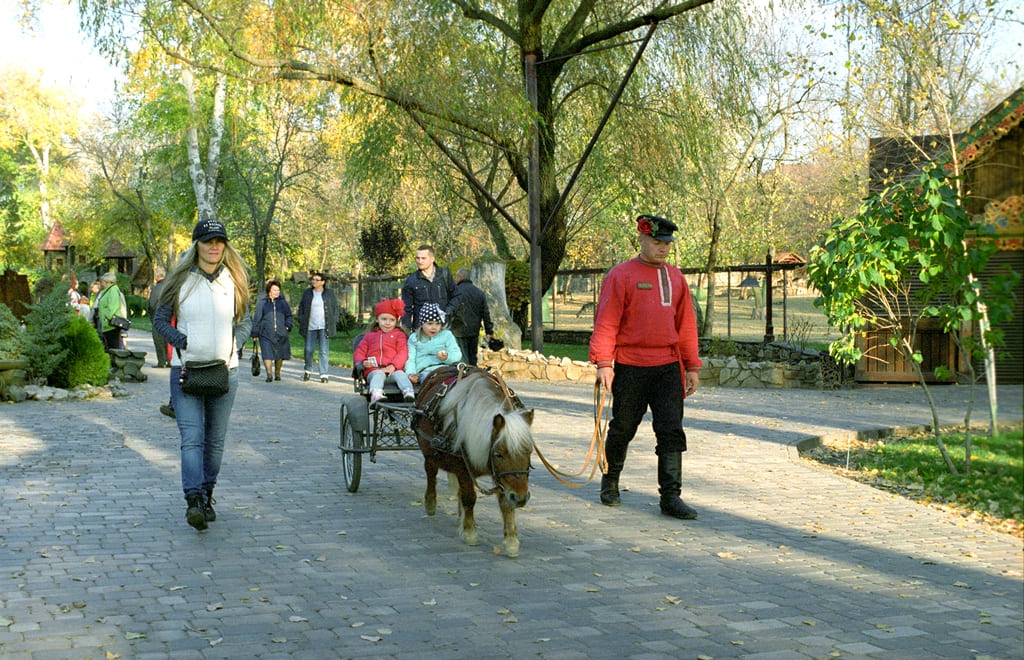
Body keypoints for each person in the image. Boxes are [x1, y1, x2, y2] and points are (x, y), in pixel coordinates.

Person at [589, 214, 703, 520]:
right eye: (657, 242)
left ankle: (671, 497)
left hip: (668, 366)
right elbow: (607, 321)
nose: (663, 248)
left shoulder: (676, 277)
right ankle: (610, 481)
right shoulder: (621, 275)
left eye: (667, 243)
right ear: (641, 239)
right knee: (623, 427)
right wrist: (603, 362)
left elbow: (686, 325)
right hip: (630, 365)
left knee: (671, 431)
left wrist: (691, 366)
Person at [153, 216, 251, 531]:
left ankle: (207, 495)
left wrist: (237, 342)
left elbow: (247, 319)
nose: (213, 247)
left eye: (219, 241)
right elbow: (159, 321)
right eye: (207, 241)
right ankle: (193, 500)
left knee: (216, 441)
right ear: (197, 245)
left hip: (225, 371)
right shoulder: (180, 281)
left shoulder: (234, 279)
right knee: (192, 439)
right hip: (186, 371)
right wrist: (180, 340)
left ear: (225, 246)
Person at [354, 298, 415, 404]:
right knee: (378, 373)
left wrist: (393, 366)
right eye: (384, 319)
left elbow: (403, 352)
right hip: (373, 371)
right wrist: (363, 362)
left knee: (400, 374)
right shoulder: (369, 336)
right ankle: (376, 393)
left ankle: (408, 392)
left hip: (393, 371)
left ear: (396, 321)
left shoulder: (399, 335)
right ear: (377, 319)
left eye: (391, 320)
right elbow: (359, 351)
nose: (387, 323)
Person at [401, 244, 458, 329]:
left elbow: (457, 296)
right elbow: (406, 309)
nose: (420, 261)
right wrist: (406, 332)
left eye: (423, 258)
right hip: (421, 330)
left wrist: (449, 310)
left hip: (443, 327)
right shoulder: (411, 281)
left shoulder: (444, 275)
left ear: (432, 259)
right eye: (417, 258)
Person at [296, 272, 340, 383]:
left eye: (317, 280)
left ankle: (324, 374)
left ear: (323, 282)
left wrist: (334, 320)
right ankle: (307, 370)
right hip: (310, 326)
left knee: (323, 351)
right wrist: (301, 318)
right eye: (313, 279)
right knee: (308, 349)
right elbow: (301, 307)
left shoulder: (329, 293)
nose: (314, 281)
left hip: (324, 327)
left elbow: (335, 308)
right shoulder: (307, 293)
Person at [406, 302, 462, 385]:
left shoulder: (446, 335)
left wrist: (447, 357)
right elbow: (410, 359)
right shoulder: (414, 338)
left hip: (446, 368)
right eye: (430, 323)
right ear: (422, 324)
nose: (434, 327)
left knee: (459, 380)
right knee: (433, 381)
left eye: (437, 324)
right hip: (425, 371)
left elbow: (457, 354)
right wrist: (411, 374)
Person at [450, 267, 494, 367]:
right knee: (472, 356)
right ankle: (473, 376)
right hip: (474, 330)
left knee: (461, 357)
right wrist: (489, 331)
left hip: (457, 330)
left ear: (459, 277)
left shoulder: (454, 292)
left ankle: (464, 378)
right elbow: (485, 313)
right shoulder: (479, 293)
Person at [251, 279, 293, 382]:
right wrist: (255, 333)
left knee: (280, 354)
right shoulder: (262, 303)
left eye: (278, 290)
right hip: (265, 332)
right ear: (269, 290)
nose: (277, 292)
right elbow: (257, 318)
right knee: (267, 353)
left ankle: (277, 373)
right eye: (274, 290)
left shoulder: (283, 303)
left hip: (281, 332)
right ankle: (269, 374)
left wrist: (287, 326)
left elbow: (289, 316)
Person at [93, 272, 127, 352]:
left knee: (114, 347)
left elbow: (113, 307)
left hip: (112, 324)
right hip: (107, 325)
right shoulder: (106, 291)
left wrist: (106, 317)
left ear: (108, 282)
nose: (101, 284)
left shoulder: (113, 290)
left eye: (102, 282)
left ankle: (116, 363)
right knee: (108, 347)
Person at [148, 266, 171, 368]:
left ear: (156, 276)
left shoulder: (157, 288)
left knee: (159, 340)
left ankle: (162, 361)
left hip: (158, 317)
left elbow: (152, 304)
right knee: (169, 339)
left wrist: (151, 316)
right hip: (170, 317)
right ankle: (169, 360)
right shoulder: (170, 286)